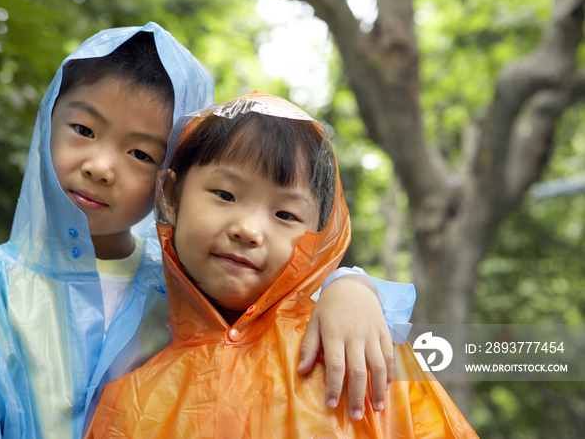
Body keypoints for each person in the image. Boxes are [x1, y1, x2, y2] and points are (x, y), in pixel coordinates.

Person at [0, 23, 412, 439]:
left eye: (140, 154)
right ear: (48, 119)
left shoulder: (182, 279)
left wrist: (352, 286)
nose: (102, 167)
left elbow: (282, 300)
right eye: (84, 130)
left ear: (170, 182)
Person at [83, 91, 478, 439]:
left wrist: (352, 285)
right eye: (225, 194)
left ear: (317, 236)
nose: (249, 230)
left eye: (286, 215)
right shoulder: (127, 390)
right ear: (171, 193)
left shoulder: (354, 353)